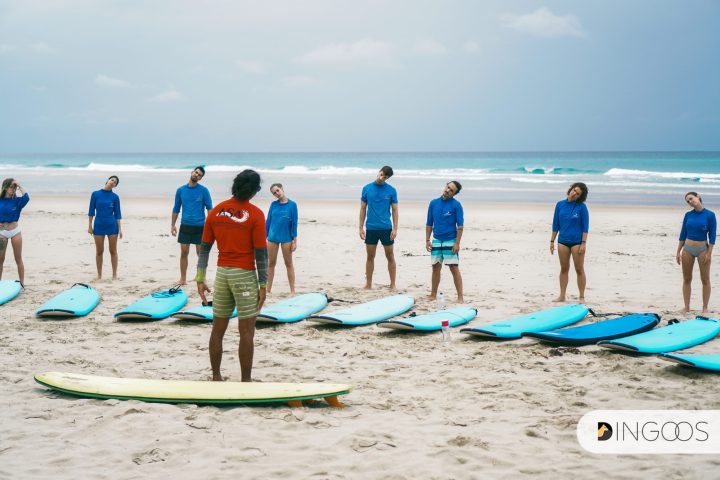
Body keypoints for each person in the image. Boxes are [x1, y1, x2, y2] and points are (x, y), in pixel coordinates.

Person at [195, 169, 267, 382]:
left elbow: (204, 247)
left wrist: (200, 278)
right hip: (244, 275)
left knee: (218, 330)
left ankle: (216, 377)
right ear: (253, 190)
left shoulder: (215, 211)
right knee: (246, 332)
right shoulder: (255, 214)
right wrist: (263, 284)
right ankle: (245, 381)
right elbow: (261, 254)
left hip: (222, 274)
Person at [171, 166, 213, 284]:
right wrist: (173, 225)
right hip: (185, 225)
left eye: (199, 175)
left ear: (200, 178)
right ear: (192, 172)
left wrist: (210, 225)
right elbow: (176, 208)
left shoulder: (204, 191)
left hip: (200, 226)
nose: (196, 175)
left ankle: (201, 277)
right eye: (196, 172)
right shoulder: (181, 190)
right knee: (184, 252)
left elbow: (210, 208)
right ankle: (183, 278)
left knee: (201, 253)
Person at [359, 166, 398, 289]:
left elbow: (395, 210)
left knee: (390, 255)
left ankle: (392, 284)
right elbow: (363, 208)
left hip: (386, 228)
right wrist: (361, 227)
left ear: (387, 178)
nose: (382, 178)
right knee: (370, 256)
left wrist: (395, 228)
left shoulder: (391, 190)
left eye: (385, 177)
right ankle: (368, 284)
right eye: (381, 174)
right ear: (378, 172)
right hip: (371, 228)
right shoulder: (367, 188)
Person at [676, 191, 716, 314]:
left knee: (705, 279)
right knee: (687, 279)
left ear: (698, 197)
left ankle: (705, 307)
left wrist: (709, 253)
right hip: (687, 249)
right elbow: (683, 233)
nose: (690, 202)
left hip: (703, 250)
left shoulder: (710, 215)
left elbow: (712, 236)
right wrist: (678, 251)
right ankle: (686, 307)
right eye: (688, 201)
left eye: (691, 198)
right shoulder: (688, 215)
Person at [550, 182, 589, 303]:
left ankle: (581, 297)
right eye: (574, 190)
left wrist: (583, 243)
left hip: (577, 242)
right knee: (564, 268)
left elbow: (585, 226)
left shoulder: (581, 207)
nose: (574, 193)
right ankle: (562, 295)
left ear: (580, 196)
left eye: (578, 193)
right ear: (570, 189)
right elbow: (555, 224)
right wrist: (552, 241)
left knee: (579, 269)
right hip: (562, 241)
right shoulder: (560, 204)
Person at [426, 181, 464, 303]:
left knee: (454, 268)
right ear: (445, 186)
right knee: (435, 267)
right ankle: (433, 294)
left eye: (451, 190)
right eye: (448, 187)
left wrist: (457, 243)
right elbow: (429, 224)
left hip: (450, 240)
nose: (448, 190)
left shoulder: (456, 205)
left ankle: (460, 297)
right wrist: (427, 240)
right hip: (436, 240)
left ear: (454, 194)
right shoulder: (433, 203)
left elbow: (460, 226)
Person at [88, 175, 122, 280]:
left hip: (112, 226)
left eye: (115, 183)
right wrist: (90, 226)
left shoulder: (115, 197)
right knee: (99, 251)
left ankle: (114, 275)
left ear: (115, 186)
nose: (113, 182)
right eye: (112, 180)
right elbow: (91, 211)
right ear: (107, 180)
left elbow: (117, 214)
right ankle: (99, 275)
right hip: (98, 225)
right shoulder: (95, 194)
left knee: (113, 251)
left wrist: (120, 229)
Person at [265, 183, 298, 294]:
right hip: (272, 238)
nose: (277, 194)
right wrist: (264, 237)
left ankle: (292, 290)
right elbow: (268, 221)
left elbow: (294, 224)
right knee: (271, 264)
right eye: (274, 193)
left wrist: (294, 241)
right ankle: (268, 290)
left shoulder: (292, 205)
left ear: (282, 188)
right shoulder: (273, 205)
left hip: (286, 238)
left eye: (277, 190)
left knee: (288, 264)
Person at [0, 178, 30, 285]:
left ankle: (22, 283)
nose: (13, 189)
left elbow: (27, 197)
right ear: (5, 187)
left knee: (18, 259)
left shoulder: (17, 202)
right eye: (11, 187)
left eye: (14, 187)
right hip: (2, 232)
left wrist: (20, 185)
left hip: (15, 232)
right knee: (0, 260)